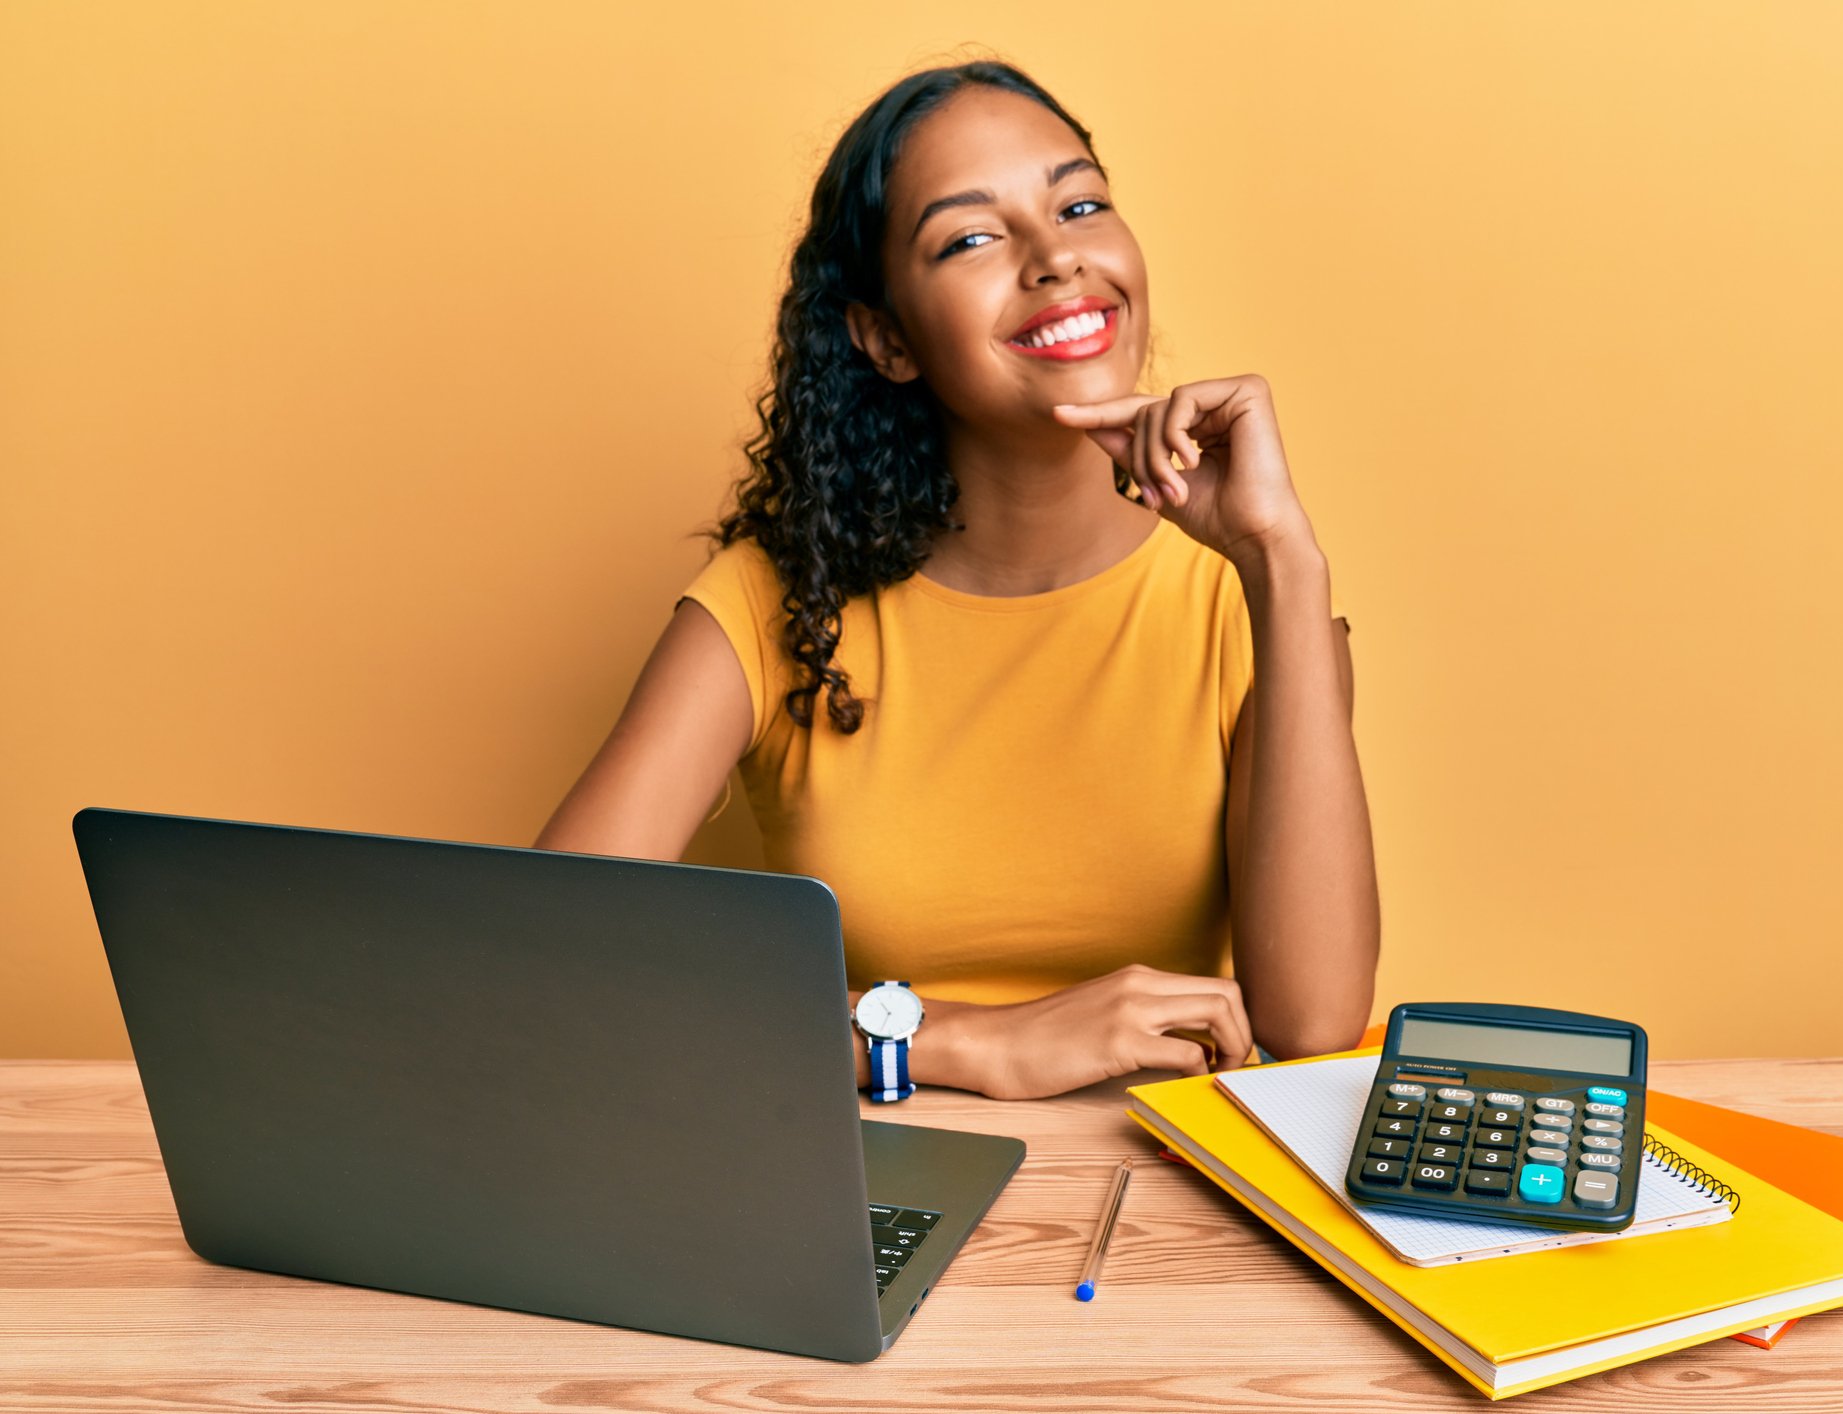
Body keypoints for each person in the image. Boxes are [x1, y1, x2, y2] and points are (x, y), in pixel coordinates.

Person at [536, 59, 1379, 1099]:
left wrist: (1282, 560)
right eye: (973, 237)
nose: (1055, 257)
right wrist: (965, 1040)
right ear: (886, 338)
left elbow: (1312, 1018)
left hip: (1159, 1200)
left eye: (1078, 204)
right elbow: (546, 967)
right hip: (862, 1172)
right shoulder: (770, 603)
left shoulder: (1243, 597)